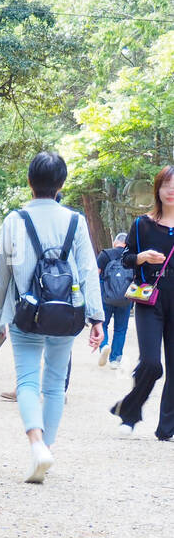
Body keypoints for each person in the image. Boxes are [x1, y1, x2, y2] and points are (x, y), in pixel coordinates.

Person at [0, 151, 103, 483]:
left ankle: (36, 445)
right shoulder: (76, 221)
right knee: (54, 385)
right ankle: (47, 447)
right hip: (66, 315)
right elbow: (88, 272)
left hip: (25, 314)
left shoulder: (14, 221)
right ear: (61, 184)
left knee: (26, 381)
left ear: (29, 182)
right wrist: (97, 318)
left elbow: (3, 278)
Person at [111, 165, 174, 438]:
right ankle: (130, 411)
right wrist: (142, 257)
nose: (171, 191)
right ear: (157, 189)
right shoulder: (142, 224)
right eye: (166, 185)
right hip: (151, 298)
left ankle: (166, 428)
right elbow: (125, 258)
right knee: (151, 363)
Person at [96, 231, 132, 371]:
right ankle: (115, 360)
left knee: (102, 324)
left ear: (115, 242)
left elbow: (95, 275)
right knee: (120, 329)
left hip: (105, 297)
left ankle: (104, 345)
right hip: (126, 299)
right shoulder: (132, 257)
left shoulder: (105, 254)